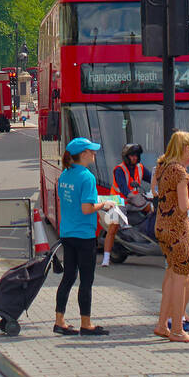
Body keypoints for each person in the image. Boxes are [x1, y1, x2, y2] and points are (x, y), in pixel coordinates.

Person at [151, 131, 189, 345]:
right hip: (178, 230)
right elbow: (185, 206)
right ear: (184, 149)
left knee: (170, 274)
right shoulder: (180, 172)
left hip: (162, 227)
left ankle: (161, 324)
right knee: (180, 278)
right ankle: (177, 328)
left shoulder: (163, 167)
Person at [53, 137, 113, 336]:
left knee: (68, 277)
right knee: (86, 280)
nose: (94, 153)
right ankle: (86, 323)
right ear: (83, 154)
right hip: (84, 234)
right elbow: (87, 208)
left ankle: (59, 320)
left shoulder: (65, 175)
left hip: (67, 232)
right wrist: (103, 205)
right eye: (91, 151)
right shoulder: (87, 177)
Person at [102, 142, 152, 265]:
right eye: (132, 155)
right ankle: (106, 258)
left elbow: (152, 178)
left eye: (136, 155)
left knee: (152, 209)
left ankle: (145, 236)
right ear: (126, 156)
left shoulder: (140, 168)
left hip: (133, 200)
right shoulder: (119, 169)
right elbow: (124, 188)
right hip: (118, 201)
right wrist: (136, 198)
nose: (134, 158)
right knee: (113, 227)